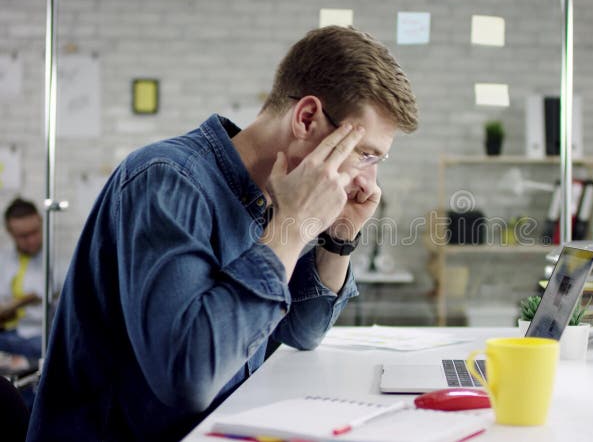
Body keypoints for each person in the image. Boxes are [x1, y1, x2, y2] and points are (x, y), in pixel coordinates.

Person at [27, 26, 418, 441]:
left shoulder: (274, 193)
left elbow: (301, 333)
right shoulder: (168, 180)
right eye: (366, 155)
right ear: (307, 118)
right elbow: (189, 377)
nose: (369, 180)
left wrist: (339, 237)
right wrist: (288, 228)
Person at [0, 198, 45, 362]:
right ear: (10, 232)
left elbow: (37, 295)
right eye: (23, 236)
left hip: (38, 335)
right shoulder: (4, 260)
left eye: (35, 232)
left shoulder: (57, 261)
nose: (32, 240)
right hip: (9, 334)